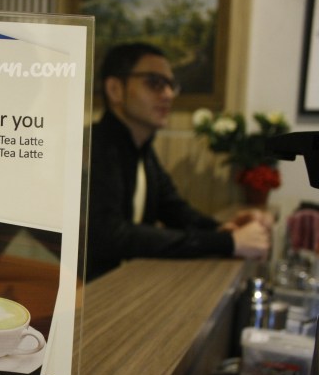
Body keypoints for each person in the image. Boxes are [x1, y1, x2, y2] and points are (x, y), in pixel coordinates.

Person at [87, 42, 272, 281]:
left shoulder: (142, 149)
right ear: (115, 90)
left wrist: (224, 228)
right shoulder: (92, 147)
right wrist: (227, 241)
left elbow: (176, 211)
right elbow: (111, 235)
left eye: (170, 85)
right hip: (84, 290)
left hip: (121, 283)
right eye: (154, 83)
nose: (168, 95)